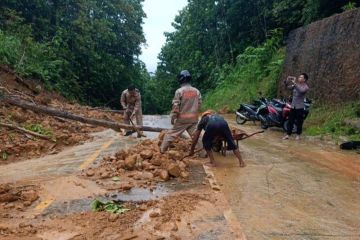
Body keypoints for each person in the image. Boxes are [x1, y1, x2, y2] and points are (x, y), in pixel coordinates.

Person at [160, 70, 202, 153]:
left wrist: (173, 117)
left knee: (171, 134)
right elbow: (199, 104)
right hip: (193, 119)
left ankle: (162, 150)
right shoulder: (196, 91)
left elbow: (176, 106)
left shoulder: (179, 91)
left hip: (182, 120)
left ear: (181, 80)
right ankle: (203, 153)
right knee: (197, 136)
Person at [283, 73, 310, 140]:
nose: (299, 78)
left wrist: (295, 83)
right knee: (290, 121)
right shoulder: (295, 85)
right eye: (299, 77)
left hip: (300, 107)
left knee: (299, 121)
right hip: (293, 106)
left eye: (301, 77)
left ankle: (298, 135)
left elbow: (301, 91)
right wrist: (286, 81)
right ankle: (288, 135)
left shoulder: (306, 87)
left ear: (304, 79)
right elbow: (287, 88)